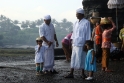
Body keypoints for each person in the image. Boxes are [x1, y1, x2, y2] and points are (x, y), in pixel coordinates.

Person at [65, 8, 91, 79]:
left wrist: (86, 44)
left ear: (81, 14)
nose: (76, 15)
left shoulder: (86, 22)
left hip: (82, 43)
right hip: (75, 43)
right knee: (73, 57)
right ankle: (71, 73)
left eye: (77, 14)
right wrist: (71, 43)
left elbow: (88, 33)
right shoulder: (75, 22)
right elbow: (73, 33)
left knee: (82, 57)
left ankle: (83, 73)